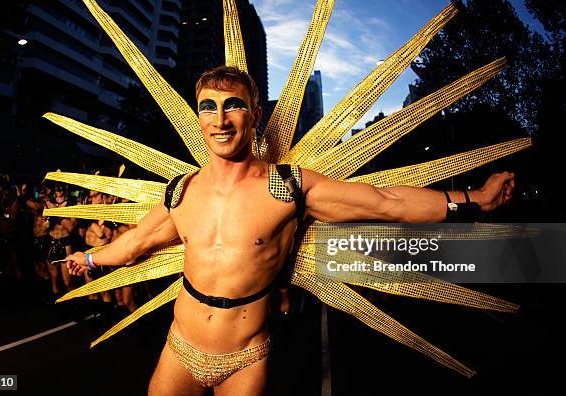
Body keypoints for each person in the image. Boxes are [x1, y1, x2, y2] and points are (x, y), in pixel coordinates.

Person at [66, 66, 515, 396]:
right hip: (178, 349)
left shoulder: (287, 187)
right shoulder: (181, 192)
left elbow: (385, 201)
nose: (220, 119)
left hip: (245, 359)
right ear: (198, 118)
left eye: (233, 105)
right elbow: (133, 246)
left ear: (255, 115)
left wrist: (473, 199)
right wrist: (87, 258)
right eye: (208, 107)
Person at [45, 184, 77, 296]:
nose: (58, 190)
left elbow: (71, 227)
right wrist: (48, 220)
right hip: (52, 241)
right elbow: (44, 226)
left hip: (65, 243)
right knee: (54, 279)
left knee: (67, 281)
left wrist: (56, 213)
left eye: (60, 187)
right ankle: (58, 307)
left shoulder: (71, 204)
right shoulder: (48, 203)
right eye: (56, 187)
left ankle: (76, 303)